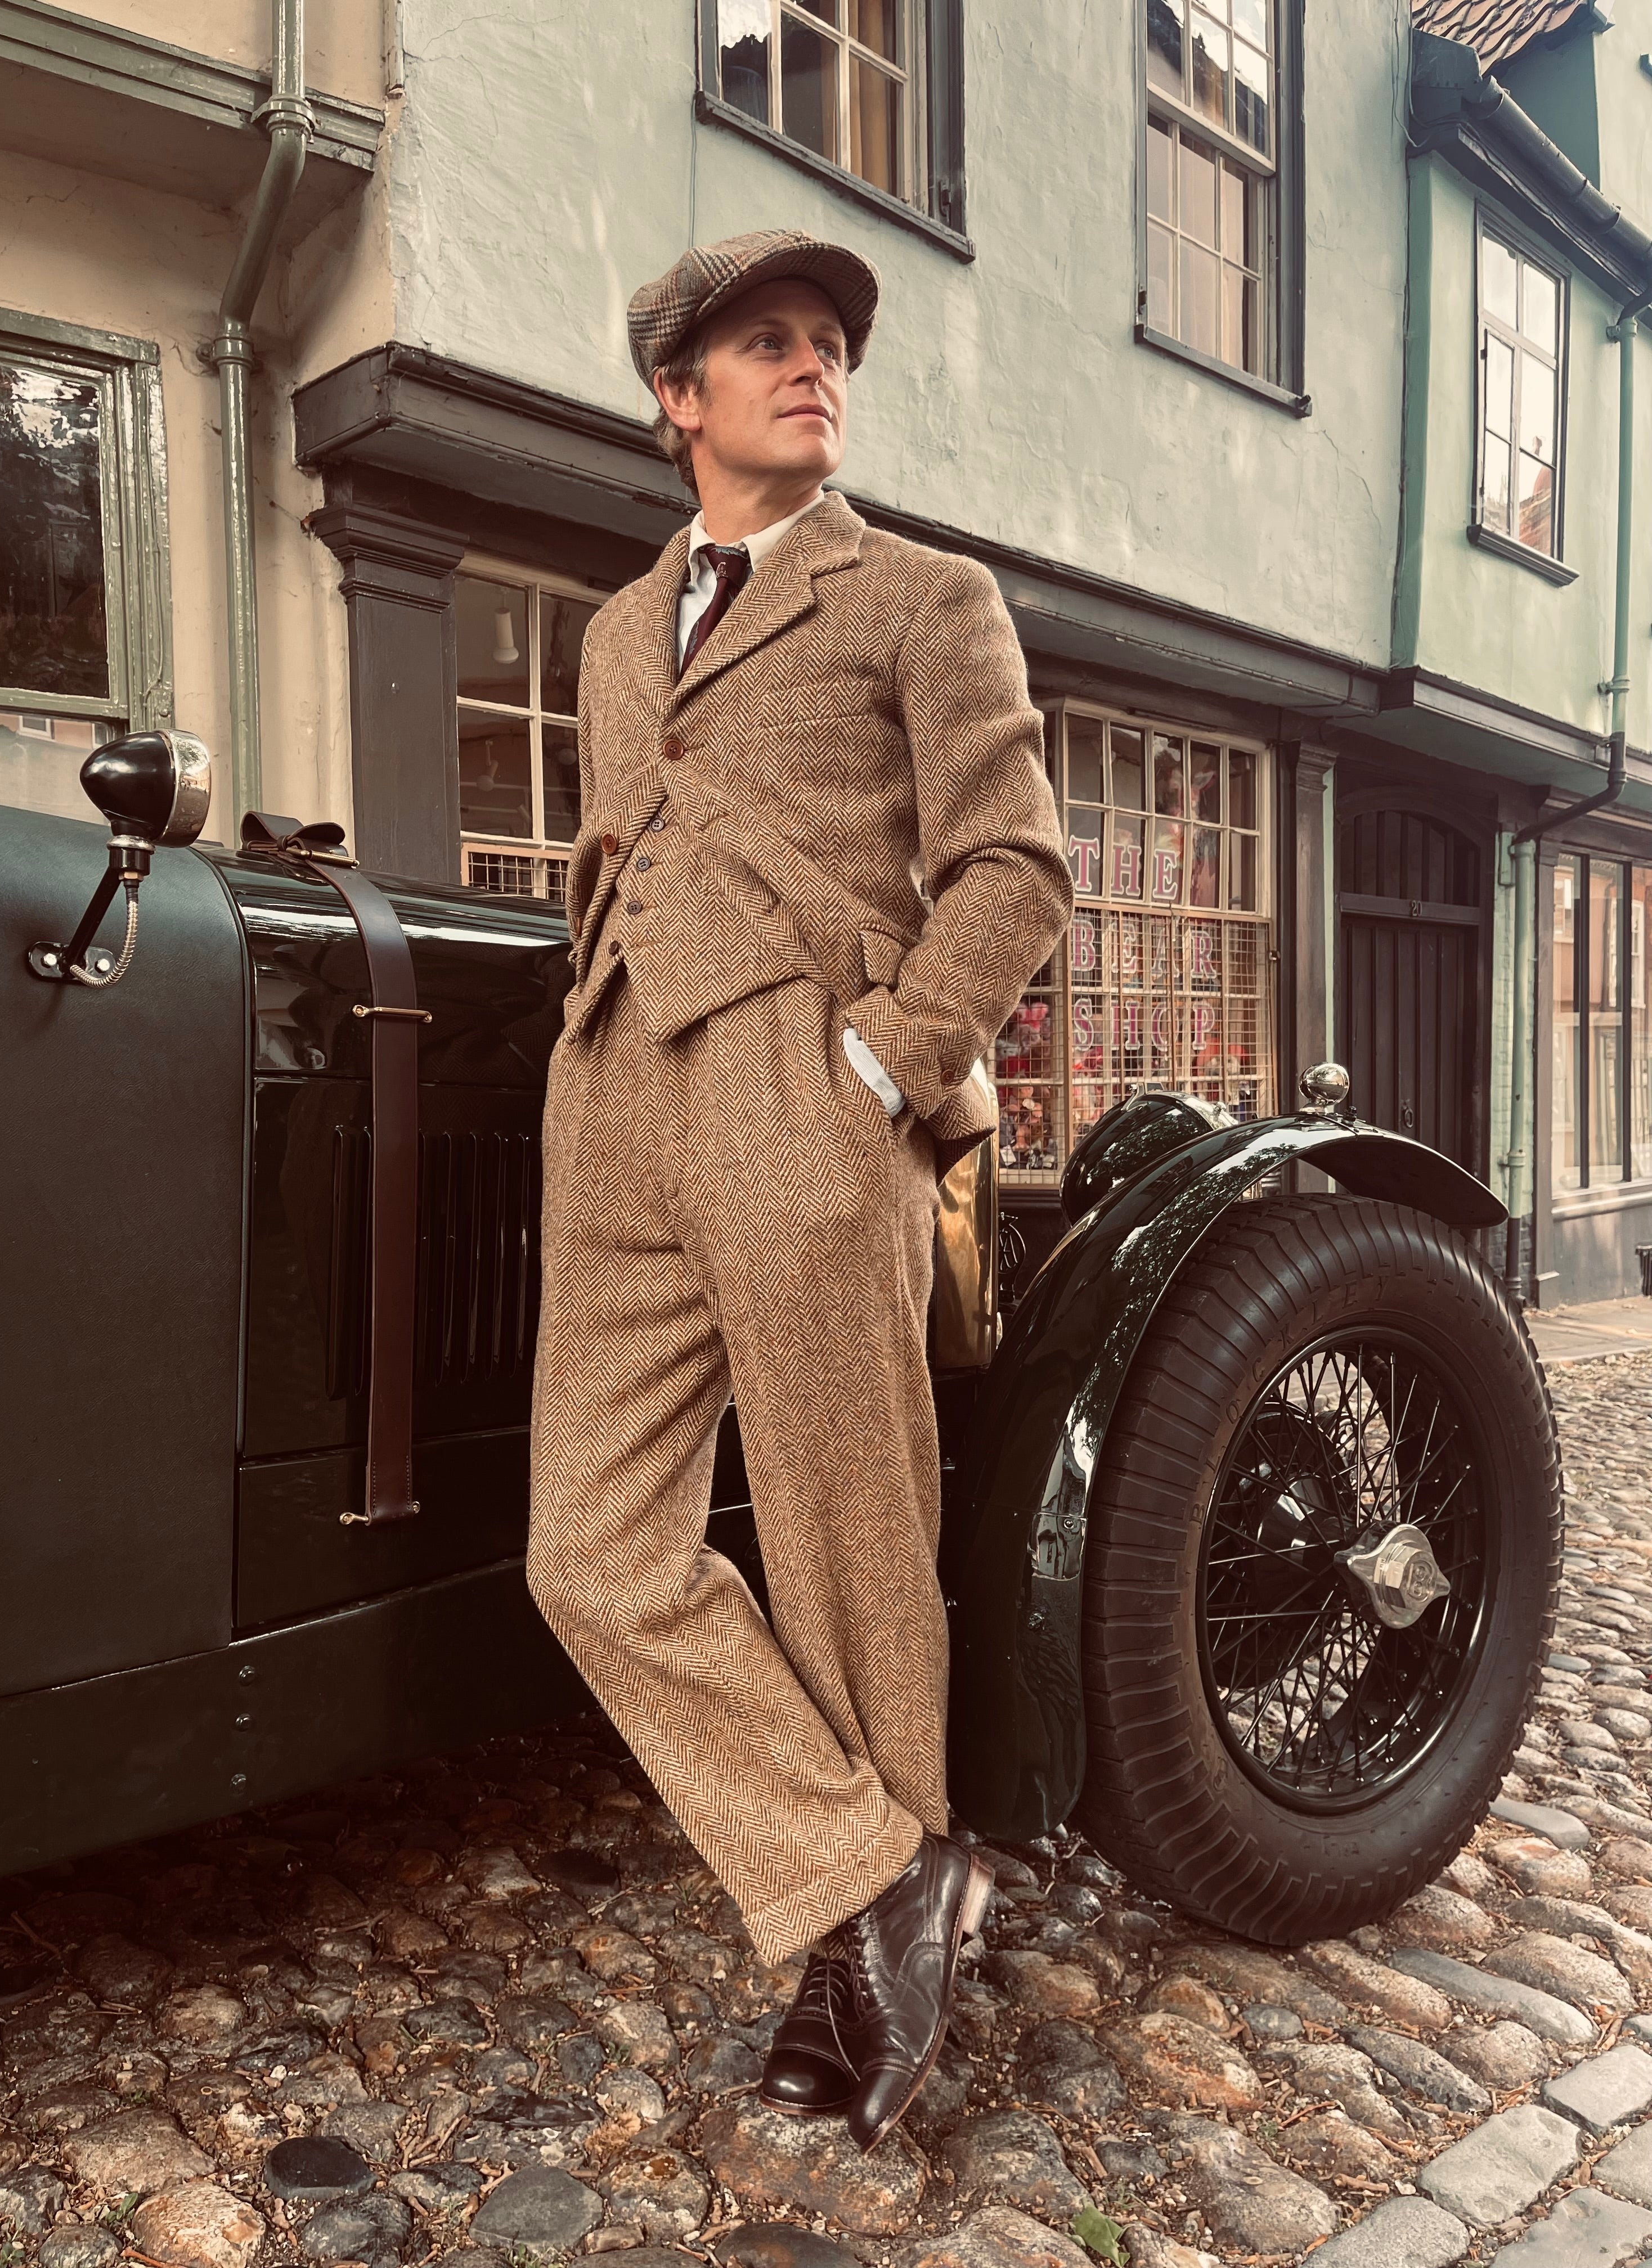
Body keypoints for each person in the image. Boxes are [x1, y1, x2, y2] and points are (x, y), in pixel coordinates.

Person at [526, 228, 1072, 2154]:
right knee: (588, 1549)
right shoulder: (606, 631)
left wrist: (879, 1068)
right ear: (680, 396)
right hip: (617, 1094)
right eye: (767, 342)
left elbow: (1013, 871)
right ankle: (881, 1877)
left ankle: (867, 1968)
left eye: (830, 342)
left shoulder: (926, 598)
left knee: (847, 1545)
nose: (812, 366)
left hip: (800, 1086)